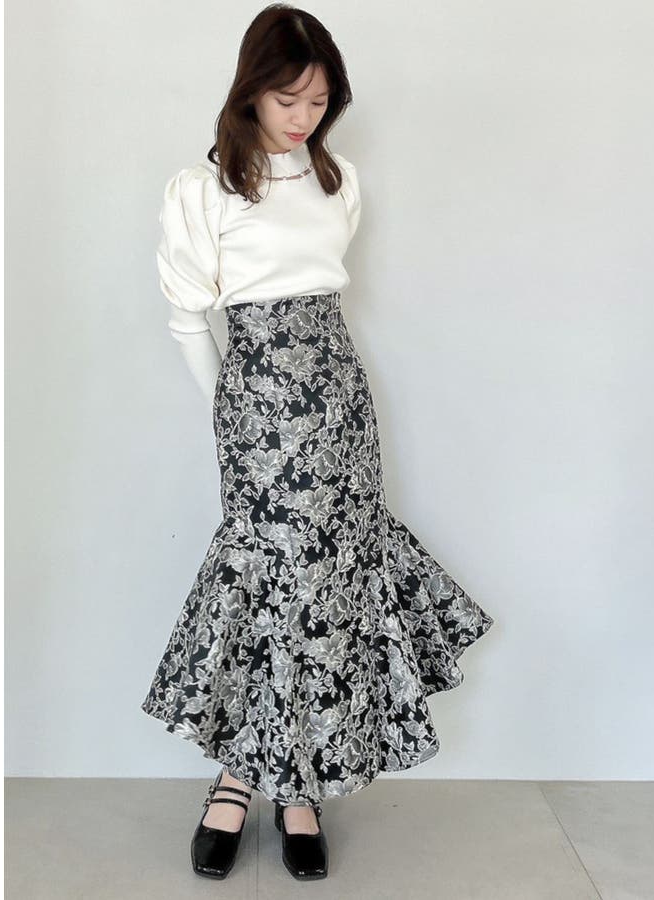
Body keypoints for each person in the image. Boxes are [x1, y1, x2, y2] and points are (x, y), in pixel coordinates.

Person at [140, 3, 496, 882]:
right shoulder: (203, 189)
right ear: (250, 90)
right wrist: (234, 414)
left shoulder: (341, 181)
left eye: (319, 100)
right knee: (267, 581)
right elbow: (189, 319)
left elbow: (320, 291)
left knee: (329, 585)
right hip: (254, 404)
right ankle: (238, 780)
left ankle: (299, 791)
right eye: (287, 97)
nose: (303, 116)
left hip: (338, 399)